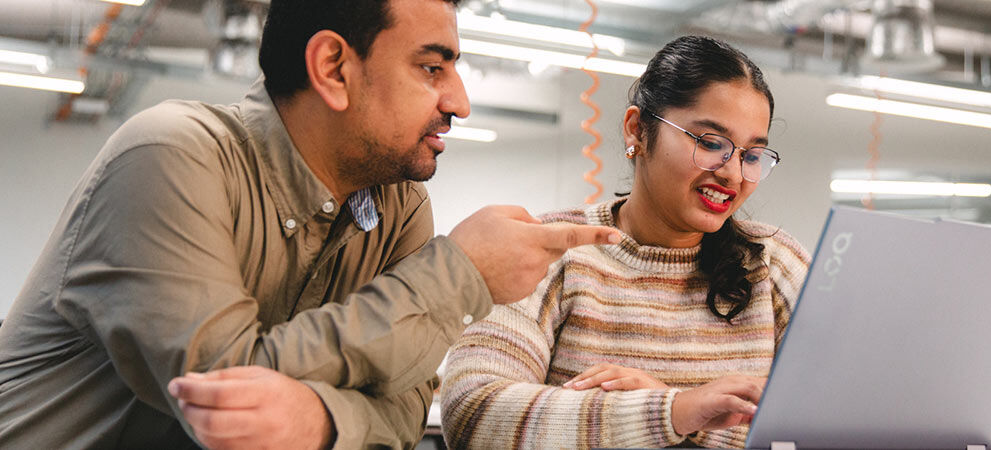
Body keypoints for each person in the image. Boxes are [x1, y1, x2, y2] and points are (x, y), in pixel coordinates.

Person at [0, 0, 620, 448]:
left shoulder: (396, 204)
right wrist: (458, 274)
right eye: (432, 68)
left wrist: (320, 422)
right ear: (331, 68)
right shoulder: (171, 154)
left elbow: (405, 412)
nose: (459, 101)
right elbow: (223, 400)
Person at [439, 35, 811, 449]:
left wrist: (686, 415)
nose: (734, 175)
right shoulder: (552, 251)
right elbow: (474, 414)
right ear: (638, 130)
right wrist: (671, 413)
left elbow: (841, 427)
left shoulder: (775, 265)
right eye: (710, 143)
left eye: (751, 155)